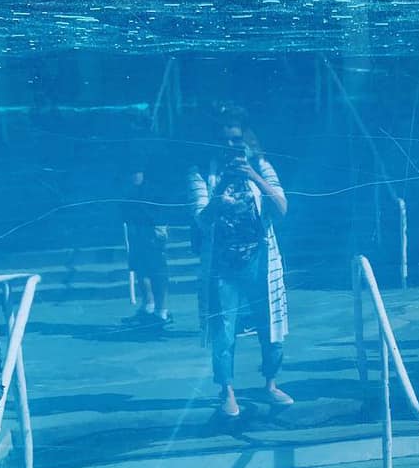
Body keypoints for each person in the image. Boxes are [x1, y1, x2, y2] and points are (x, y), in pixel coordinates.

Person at [188, 107, 291, 417]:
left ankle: (270, 384)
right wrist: (218, 197)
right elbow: (202, 222)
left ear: (246, 139)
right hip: (221, 264)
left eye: (236, 139)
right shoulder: (200, 172)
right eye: (224, 139)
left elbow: (282, 208)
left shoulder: (261, 165)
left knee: (270, 324)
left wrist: (254, 176)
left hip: (260, 258)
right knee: (223, 330)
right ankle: (226, 391)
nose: (231, 145)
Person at [121, 169, 172, 329]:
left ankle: (161, 310)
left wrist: (157, 228)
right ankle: (149, 305)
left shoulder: (153, 189)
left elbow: (159, 211)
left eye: (136, 172)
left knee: (158, 270)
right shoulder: (131, 191)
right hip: (137, 230)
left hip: (153, 229)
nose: (133, 176)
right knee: (140, 267)